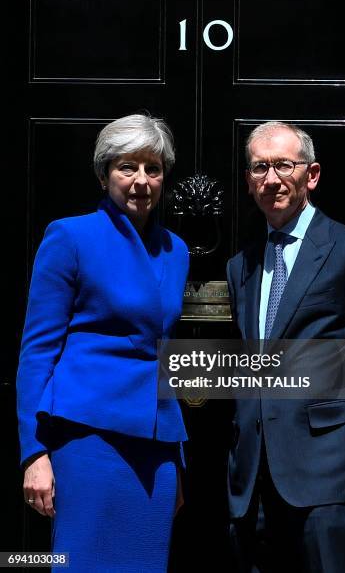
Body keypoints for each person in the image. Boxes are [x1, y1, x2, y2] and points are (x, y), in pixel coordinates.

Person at [226, 121, 345, 572]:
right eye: (259, 168)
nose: (271, 178)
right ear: (248, 180)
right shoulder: (240, 266)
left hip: (333, 484)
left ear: (312, 174)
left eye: (284, 165)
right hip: (254, 491)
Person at [16, 113, 189, 572]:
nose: (141, 181)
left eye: (152, 169)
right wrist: (33, 452)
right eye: (126, 167)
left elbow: (165, 352)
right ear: (102, 174)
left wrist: (178, 454)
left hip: (156, 449)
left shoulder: (177, 250)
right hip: (88, 441)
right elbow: (37, 351)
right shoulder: (70, 236)